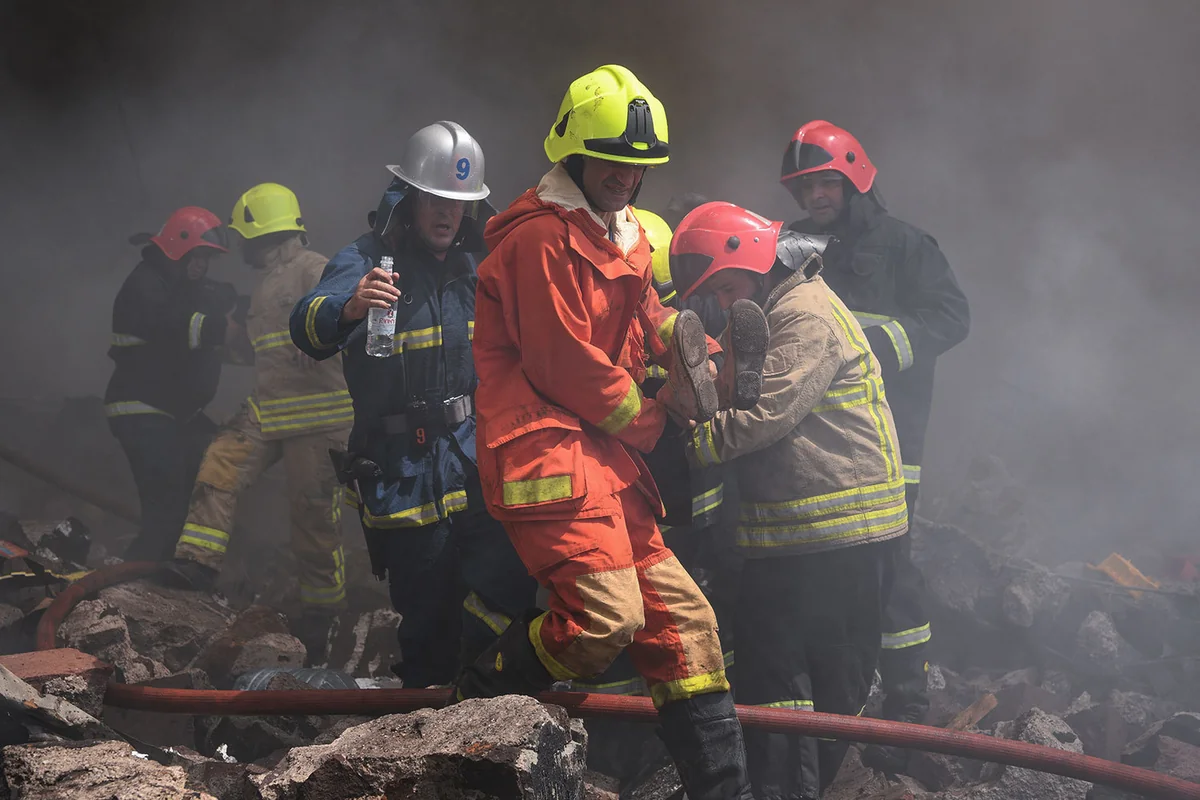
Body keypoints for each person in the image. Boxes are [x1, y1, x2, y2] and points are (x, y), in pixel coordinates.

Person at [456, 65, 766, 800]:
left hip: (607, 463)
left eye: (638, 166)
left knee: (689, 627)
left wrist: (703, 362)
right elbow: (562, 361)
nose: (626, 176)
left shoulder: (622, 236)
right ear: (573, 152)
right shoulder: (536, 239)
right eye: (613, 161)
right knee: (606, 618)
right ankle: (474, 698)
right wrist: (658, 416)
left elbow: (653, 321)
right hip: (548, 452)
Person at [669, 200, 909, 798]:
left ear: (753, 261)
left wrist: (689, 445)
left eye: (725, 290)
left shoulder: (805, 315)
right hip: (797, 534)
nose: (723, 305)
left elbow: (765, 415)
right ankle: (790, 785)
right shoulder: (777, 308)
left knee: (823, 680)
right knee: (781, 672)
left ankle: (804, 787)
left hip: (838, 530)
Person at [290, 122, 535, 687]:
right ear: (408, 198)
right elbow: (306, 324)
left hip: (474, 461)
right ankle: (426, 735)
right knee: (427, 620)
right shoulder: (368, 259)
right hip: (402, 471)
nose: (448, 214)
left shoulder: (480, 266)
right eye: (436, 199)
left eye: (459, 202)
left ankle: (488, 706)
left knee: (510, 588)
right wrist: (348, 309)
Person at [780, 120, 970, 772]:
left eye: (825, 182)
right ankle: (831, 702)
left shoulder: (907, 245)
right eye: (804, 187)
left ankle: (908, 705)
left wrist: (882, 346)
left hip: (889, 442)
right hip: (816, 444)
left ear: (856, 177)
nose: (814, 197)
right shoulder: (795, 245)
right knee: (822, 569)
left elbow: (952, 316)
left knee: (889, 569)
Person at [163, 184, 351, 663]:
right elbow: (266, 350)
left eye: (244, 234)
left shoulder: (314, 267)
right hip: (270, 408)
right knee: (222, 461)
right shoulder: (269, 281)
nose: (241, 245)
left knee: (313, 521)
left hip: (318, 417)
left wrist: (328, 339)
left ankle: (321, 617)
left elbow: (354, 314)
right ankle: (197, 565)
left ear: (260, 229)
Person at [106, 207, 243, 562]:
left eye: (206, 259)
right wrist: (218, 328)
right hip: (141, 410)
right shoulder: (145, 285)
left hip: (172, 413)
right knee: (165, 513)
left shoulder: (177, 286)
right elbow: (169, 324)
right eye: (196, 257)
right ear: (175, 247)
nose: (201, 266)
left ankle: (177, 570)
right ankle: (127, 585)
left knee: (208, 466)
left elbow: (202, 310)